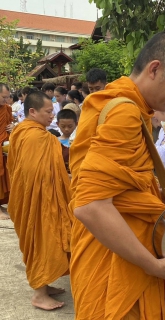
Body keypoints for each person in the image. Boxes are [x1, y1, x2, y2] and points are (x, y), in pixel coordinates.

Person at [69, 32, 165, 319]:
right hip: (118, 262)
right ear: (155, 69)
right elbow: (90, 205)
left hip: (113, 248)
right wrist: (150, 265)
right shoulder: (124, 112)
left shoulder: (118, 101)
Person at [7, 91, 73, 310]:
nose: (52, 116)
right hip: (39, 200)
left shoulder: (22, 131)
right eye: (48, 112)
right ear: (32, 111)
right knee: (44, 241)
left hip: (32, 197)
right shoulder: (36, 137)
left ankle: (44, 284)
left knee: (46, 243)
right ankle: (39, 294)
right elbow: (37, 174)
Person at [0, 83, 13, 220]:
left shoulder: (7, 109)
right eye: (4, 97)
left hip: (3, 148)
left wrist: (13, 127)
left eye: (8, 97)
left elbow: (10, 123)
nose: (6, 100)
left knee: (4, 178)